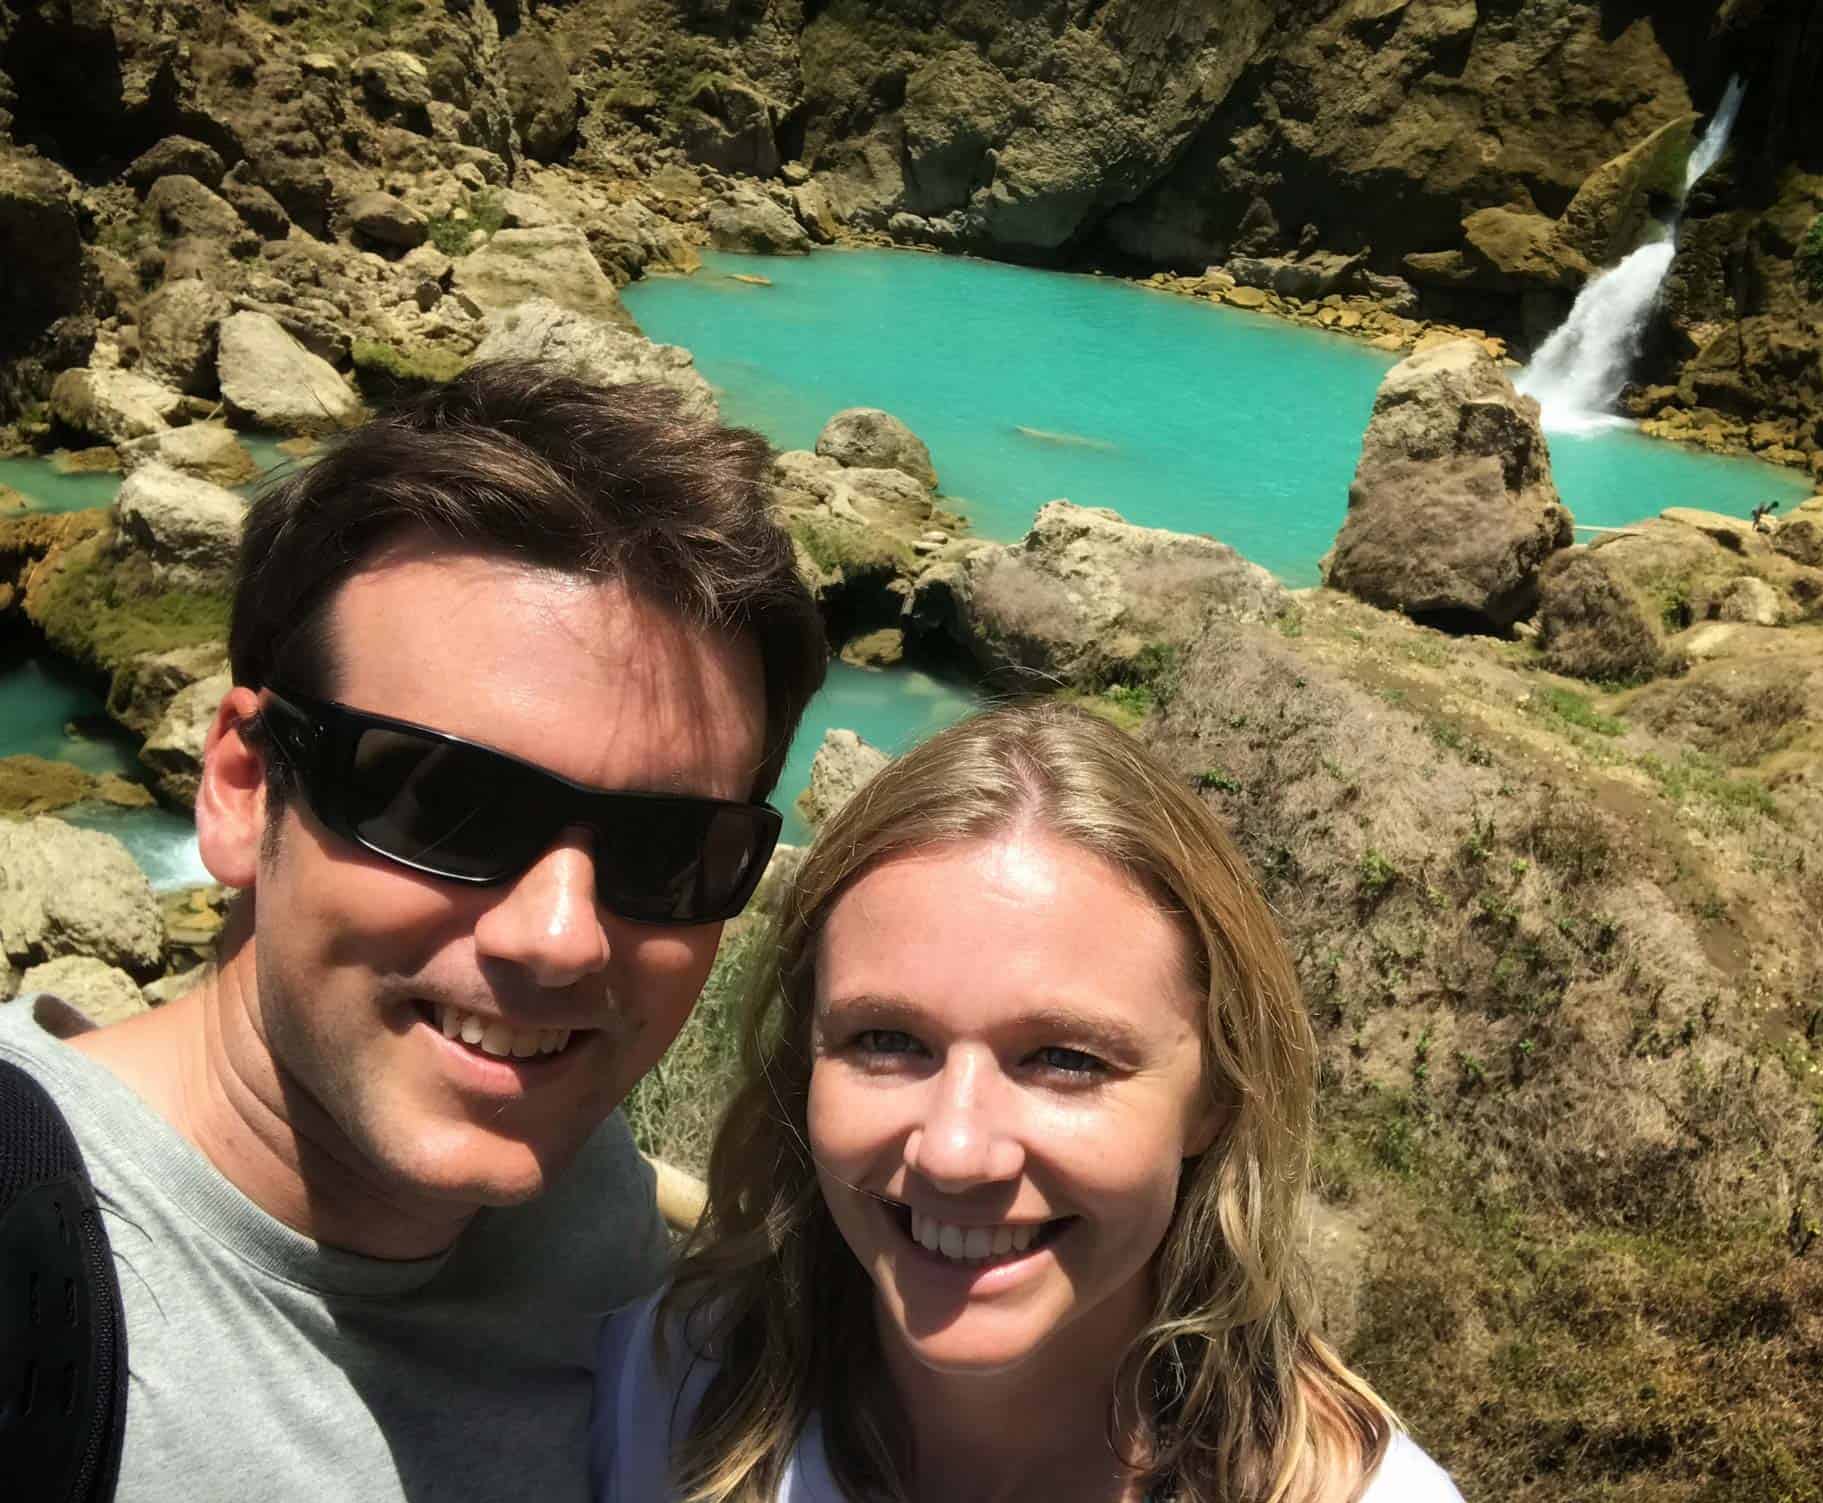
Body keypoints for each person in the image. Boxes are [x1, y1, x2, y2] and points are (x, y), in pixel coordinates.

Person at [0, 362, 827, 1500]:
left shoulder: (592, 1211)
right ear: (243, 788)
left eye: (669, 850)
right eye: (442, 802)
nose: (560, 937)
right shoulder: (37, 1274)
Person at [592, 702, 1461, 1502]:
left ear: (1216, 1096)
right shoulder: (671, 1393)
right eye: (885, 1040)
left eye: (1065, 1059)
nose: (954, 1151)